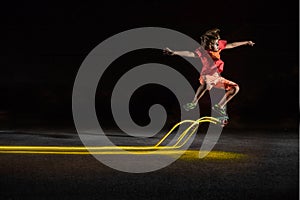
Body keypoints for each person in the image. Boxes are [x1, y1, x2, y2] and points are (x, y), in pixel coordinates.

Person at [164, 28, 255, 119]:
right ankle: (193, 103)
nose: (216, 46)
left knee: (235, 88)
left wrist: (246, 42)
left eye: (217, 44)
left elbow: (231, 45)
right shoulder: (203, 51)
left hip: (217, 77)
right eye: (214, 45)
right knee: (206, 84)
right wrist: (174, 52)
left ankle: (219, 107)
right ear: (209, 45)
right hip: (206, 76)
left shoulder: (218, 47)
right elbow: (190, 53)